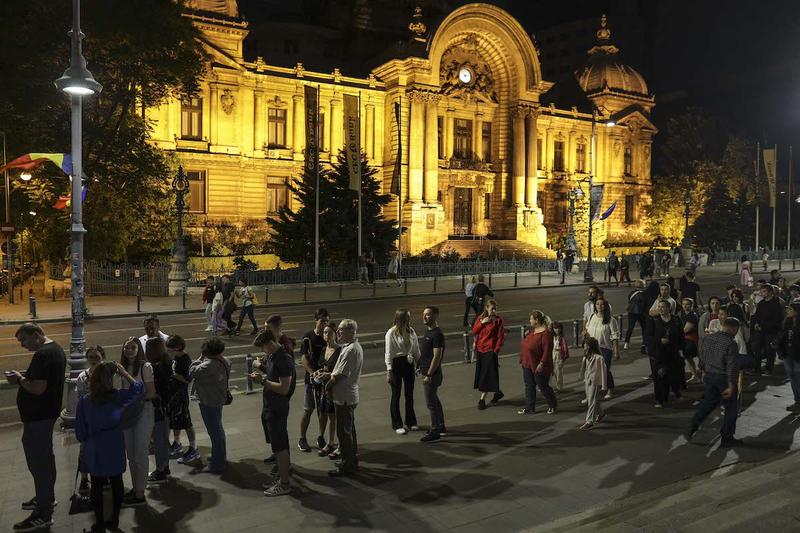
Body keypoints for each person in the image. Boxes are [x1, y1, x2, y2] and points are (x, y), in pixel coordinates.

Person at [7, 324, 66, 532]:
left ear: (36, 335)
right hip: (46, 415)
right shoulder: (56, 349)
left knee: (39, 463)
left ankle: (43, 513)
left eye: (24, 340)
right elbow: (45, 380)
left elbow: (38, 388)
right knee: (46, 459)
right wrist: (27, 375)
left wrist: (20, 379)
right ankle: (46, 498)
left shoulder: (42, 355)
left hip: (38, 418)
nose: (23, 345)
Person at [76, 361, 143, 533]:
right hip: (114, 443)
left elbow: (80, 432)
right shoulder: (117, 396)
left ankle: (99, 523)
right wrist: (125, 373)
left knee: (97, 485)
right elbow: (138, 388)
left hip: (95, 446)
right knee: (116, 482)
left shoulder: (85, 401)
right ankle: (113, 521)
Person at [251, 328, 297, 497]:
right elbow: (274, 375)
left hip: (277, 407)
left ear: (270, 343)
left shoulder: (283, 359)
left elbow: (284, 388)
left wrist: (263, 381)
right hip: (271, 405)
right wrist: (262, 369)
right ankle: (281, 477)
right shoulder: (274, 356)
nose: (263, 351)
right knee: (278, 445)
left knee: (280, 446)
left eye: (263, 347)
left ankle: (284, 484)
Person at [686, 318, 743, 447]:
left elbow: (702, 357)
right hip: (723, 378)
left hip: (710, 376)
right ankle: (727, 437)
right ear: (733, 328)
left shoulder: (708, 338)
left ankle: (693, 424)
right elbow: (732, 366)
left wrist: (703, 372)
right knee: (731, 409)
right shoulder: (731, 343)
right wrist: (731, 384)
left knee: (708, 404)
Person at [320, 319, 363, 477]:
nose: (338, 332)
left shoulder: (351, 349)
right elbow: (337, 372)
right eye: (338, 329)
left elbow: (339, 375)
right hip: (346, 395)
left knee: (344, 433)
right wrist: (328, 374)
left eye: (341, 330)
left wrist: (327, 385)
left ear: (351, 331)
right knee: (349, 430)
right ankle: (350, 460)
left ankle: (347, 466)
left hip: (344, 397)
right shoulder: (349, 347)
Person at [116, 337, 153, 508]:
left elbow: (150, 392)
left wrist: (130, 401)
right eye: (126, 347)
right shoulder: (122, 368)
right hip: (127, 414)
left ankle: (140, 493)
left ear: (139, 350)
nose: (129, 350)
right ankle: (136, 487)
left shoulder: (145, 367)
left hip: (143, 412)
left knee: (140, 453)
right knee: (130, 455)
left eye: (133, 347)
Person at [188, 337, 230, 474]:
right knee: (217, 429)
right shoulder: (224, 360)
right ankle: (219, 456)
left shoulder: (209, 364)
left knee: (215, 432)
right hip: (218, 399)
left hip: (209, 401)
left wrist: (200, 358)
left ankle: (218, 464)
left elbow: (192, 371)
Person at [76, 346, 107, 495]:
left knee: (104, 449)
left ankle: (104, 476)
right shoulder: (83, 377)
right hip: (88, 419)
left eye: (97, 357)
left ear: (103, 358)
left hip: (105, 420)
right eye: (91, 358)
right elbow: (80, 399)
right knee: (85, 450)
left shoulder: (109, 375)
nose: (94, 360)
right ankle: (84, 479)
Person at [298, 309, 330, 452]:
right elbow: (303, 358)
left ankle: (321, 437)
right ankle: (302, 439)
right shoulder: (308, 337)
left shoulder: (328, 336)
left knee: (323, 411)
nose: (324, 323)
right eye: (322, 320)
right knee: (308, 409)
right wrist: (312, 373)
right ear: (316, 320)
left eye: (326, 320)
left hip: (324, 379)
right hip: (310, 380)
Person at [384, 309, 420, 435]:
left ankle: (410, 422)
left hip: (409, 363)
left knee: (409, 394)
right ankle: (397, 424)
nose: (410, 319)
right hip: (396, 364)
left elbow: (416, 348)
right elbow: (388, 353)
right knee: (396, 395)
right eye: (408, 317)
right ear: (401, 318)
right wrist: (389, 370)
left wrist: (418, 364)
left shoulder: (411, 331)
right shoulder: (391, 333)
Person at [165, 335, 199, 465]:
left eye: (170, 350)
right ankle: (177, 442)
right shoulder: (177, 358)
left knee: (186, 422)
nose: (169, 352)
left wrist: (175, 375)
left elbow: (188, 380)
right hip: (173, 395)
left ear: (178, 347)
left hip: (181, 395)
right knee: (175, 420)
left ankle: (193, 448)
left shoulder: (185, 360)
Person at [145, 338, 175, 485]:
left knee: (159, 440)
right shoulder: (166, 362)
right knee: (162, 438)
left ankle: (161, 470)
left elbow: (158, 389)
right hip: (165, 407)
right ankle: (165, 467)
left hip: (158, 407)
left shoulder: (156, 367)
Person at [518, 310, 557, 415]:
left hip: (538, 365)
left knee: (543, 386)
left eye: (531, 319)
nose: (529, 321)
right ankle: (529, 407)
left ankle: (552, 404)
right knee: (529, 386)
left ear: (536, 320)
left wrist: (542, 363)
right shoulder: (533, 331)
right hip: (527, 363)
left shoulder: (546, 334)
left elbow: (547, 350)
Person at [647, 300, 683, 408]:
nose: (660, 309)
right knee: (659, 376)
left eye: (663, 307)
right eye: (659, 307)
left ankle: (674, 393)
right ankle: (659, 400)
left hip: (673, 352)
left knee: (673, 375)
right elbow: (648, 337)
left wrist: (681, 349)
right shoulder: (654, 320)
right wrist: (659, 341)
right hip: (658, 353)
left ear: (669, 308)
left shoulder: (676, 320)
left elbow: (681, 335)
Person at [312, 322, 341, 456]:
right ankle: (328, 442)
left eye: (329, 332)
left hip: (334, 387)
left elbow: (341, 371)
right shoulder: (324, 350)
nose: (327, 335)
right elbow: (322, 367)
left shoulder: (340, 350)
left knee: (333, 416)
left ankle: (331, 443)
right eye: (325, 332)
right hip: (323, 388)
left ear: (335, 334)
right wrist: (316, 373)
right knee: (324, 413)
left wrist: (328, 375)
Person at [472, 299, 506, 410]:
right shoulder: (481, 318)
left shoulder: (498, 320)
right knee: (486, 374)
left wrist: (495, 351)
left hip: (490, 351)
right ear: (487, 308)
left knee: (485, 376)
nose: (494, 311)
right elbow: (474, 331)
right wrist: (482, 323)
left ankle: (482, 399)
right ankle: (498, 392)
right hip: (480, 350)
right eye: (492, 308)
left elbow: (500, 337)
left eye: (495, 308)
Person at [419, 306, 446, 442]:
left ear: (435, 316)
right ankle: (440, 426)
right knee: (434, 400)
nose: (424, 317)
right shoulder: (429, 332)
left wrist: (429, 374)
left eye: (428, 315)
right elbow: (426, 354)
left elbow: (437, 356)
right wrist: (420, 366)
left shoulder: (437, 334)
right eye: (424, 314)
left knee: (431, 403)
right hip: (427, 373)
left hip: (432, 375)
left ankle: (435, 430)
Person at [585, 297, 620, 399]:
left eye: (602, 304)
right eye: (597, 304)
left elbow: (615, 336)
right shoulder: (592, 317)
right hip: (592, 349)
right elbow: (587, 329)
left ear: (606, 306)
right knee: (591, 371)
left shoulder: (610, 320)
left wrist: (616, 351)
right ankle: (592, 392)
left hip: (604, 348)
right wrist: (585, 335)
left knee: (605, 370)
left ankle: (609, 389)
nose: (599, 306)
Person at [751, 283, 785, 375]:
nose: (762, 293)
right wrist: (756, 324)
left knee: (769, 350)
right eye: (761, 291)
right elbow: (757, 315)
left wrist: (766, 326)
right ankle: (757, 367)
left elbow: (778, 318)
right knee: (756, 349)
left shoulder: (776, 303)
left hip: (771, 331)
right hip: (760, 331)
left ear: (770, 292)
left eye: (764, 291)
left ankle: (769, 368)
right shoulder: (761, 303)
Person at [773, 303, 800, 411]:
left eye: (790, 309)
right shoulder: (786, 322)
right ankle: (797, 402)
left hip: (798, 356)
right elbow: (781, 336)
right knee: (793, 378)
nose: (787, 311)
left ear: (797, 312)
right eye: (787, 309)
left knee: (798, 379)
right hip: (787, 355)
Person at [578, 337, 607, 430]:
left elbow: (603, 372)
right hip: (587, 380)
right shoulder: (586, 356)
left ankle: (590, 421)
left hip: (594, 381)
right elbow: (584, 368)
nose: (584, 346)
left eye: (585, 344)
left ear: (590, 346)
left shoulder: (599, 358)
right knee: (594, 399)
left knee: (591, 401)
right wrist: (582, 377)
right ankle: (601, 413)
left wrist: (603, 385)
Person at [678, 298, 700, 384]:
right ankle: (695, 375)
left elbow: (685, 329)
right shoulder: (684, 314)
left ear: (692, 305)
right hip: (686, 339)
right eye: (683, 304)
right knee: (689, 358)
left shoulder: (692, 315)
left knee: (690, 357)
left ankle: (697, 375)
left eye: (687, 304)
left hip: (691, 340)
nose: (685, 306)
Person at [624, 280, 647, 351]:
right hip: (641, 313)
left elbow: (629, 300)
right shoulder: (644, 294)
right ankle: (644, 344)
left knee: (630, 328)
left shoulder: (632, 293)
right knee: (644, 328)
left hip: (631, 312)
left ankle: (626, 343)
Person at [550, 321, 570, 391]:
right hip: (553, 353)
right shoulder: (552, 337)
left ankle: (559, 387)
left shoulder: (562, 338)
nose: (557, 330)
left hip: (559, 354)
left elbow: (565, 348)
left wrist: (564, 358)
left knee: (559, 371)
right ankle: (553, 385)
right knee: (553, 371)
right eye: (555, 328)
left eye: (558, 328)